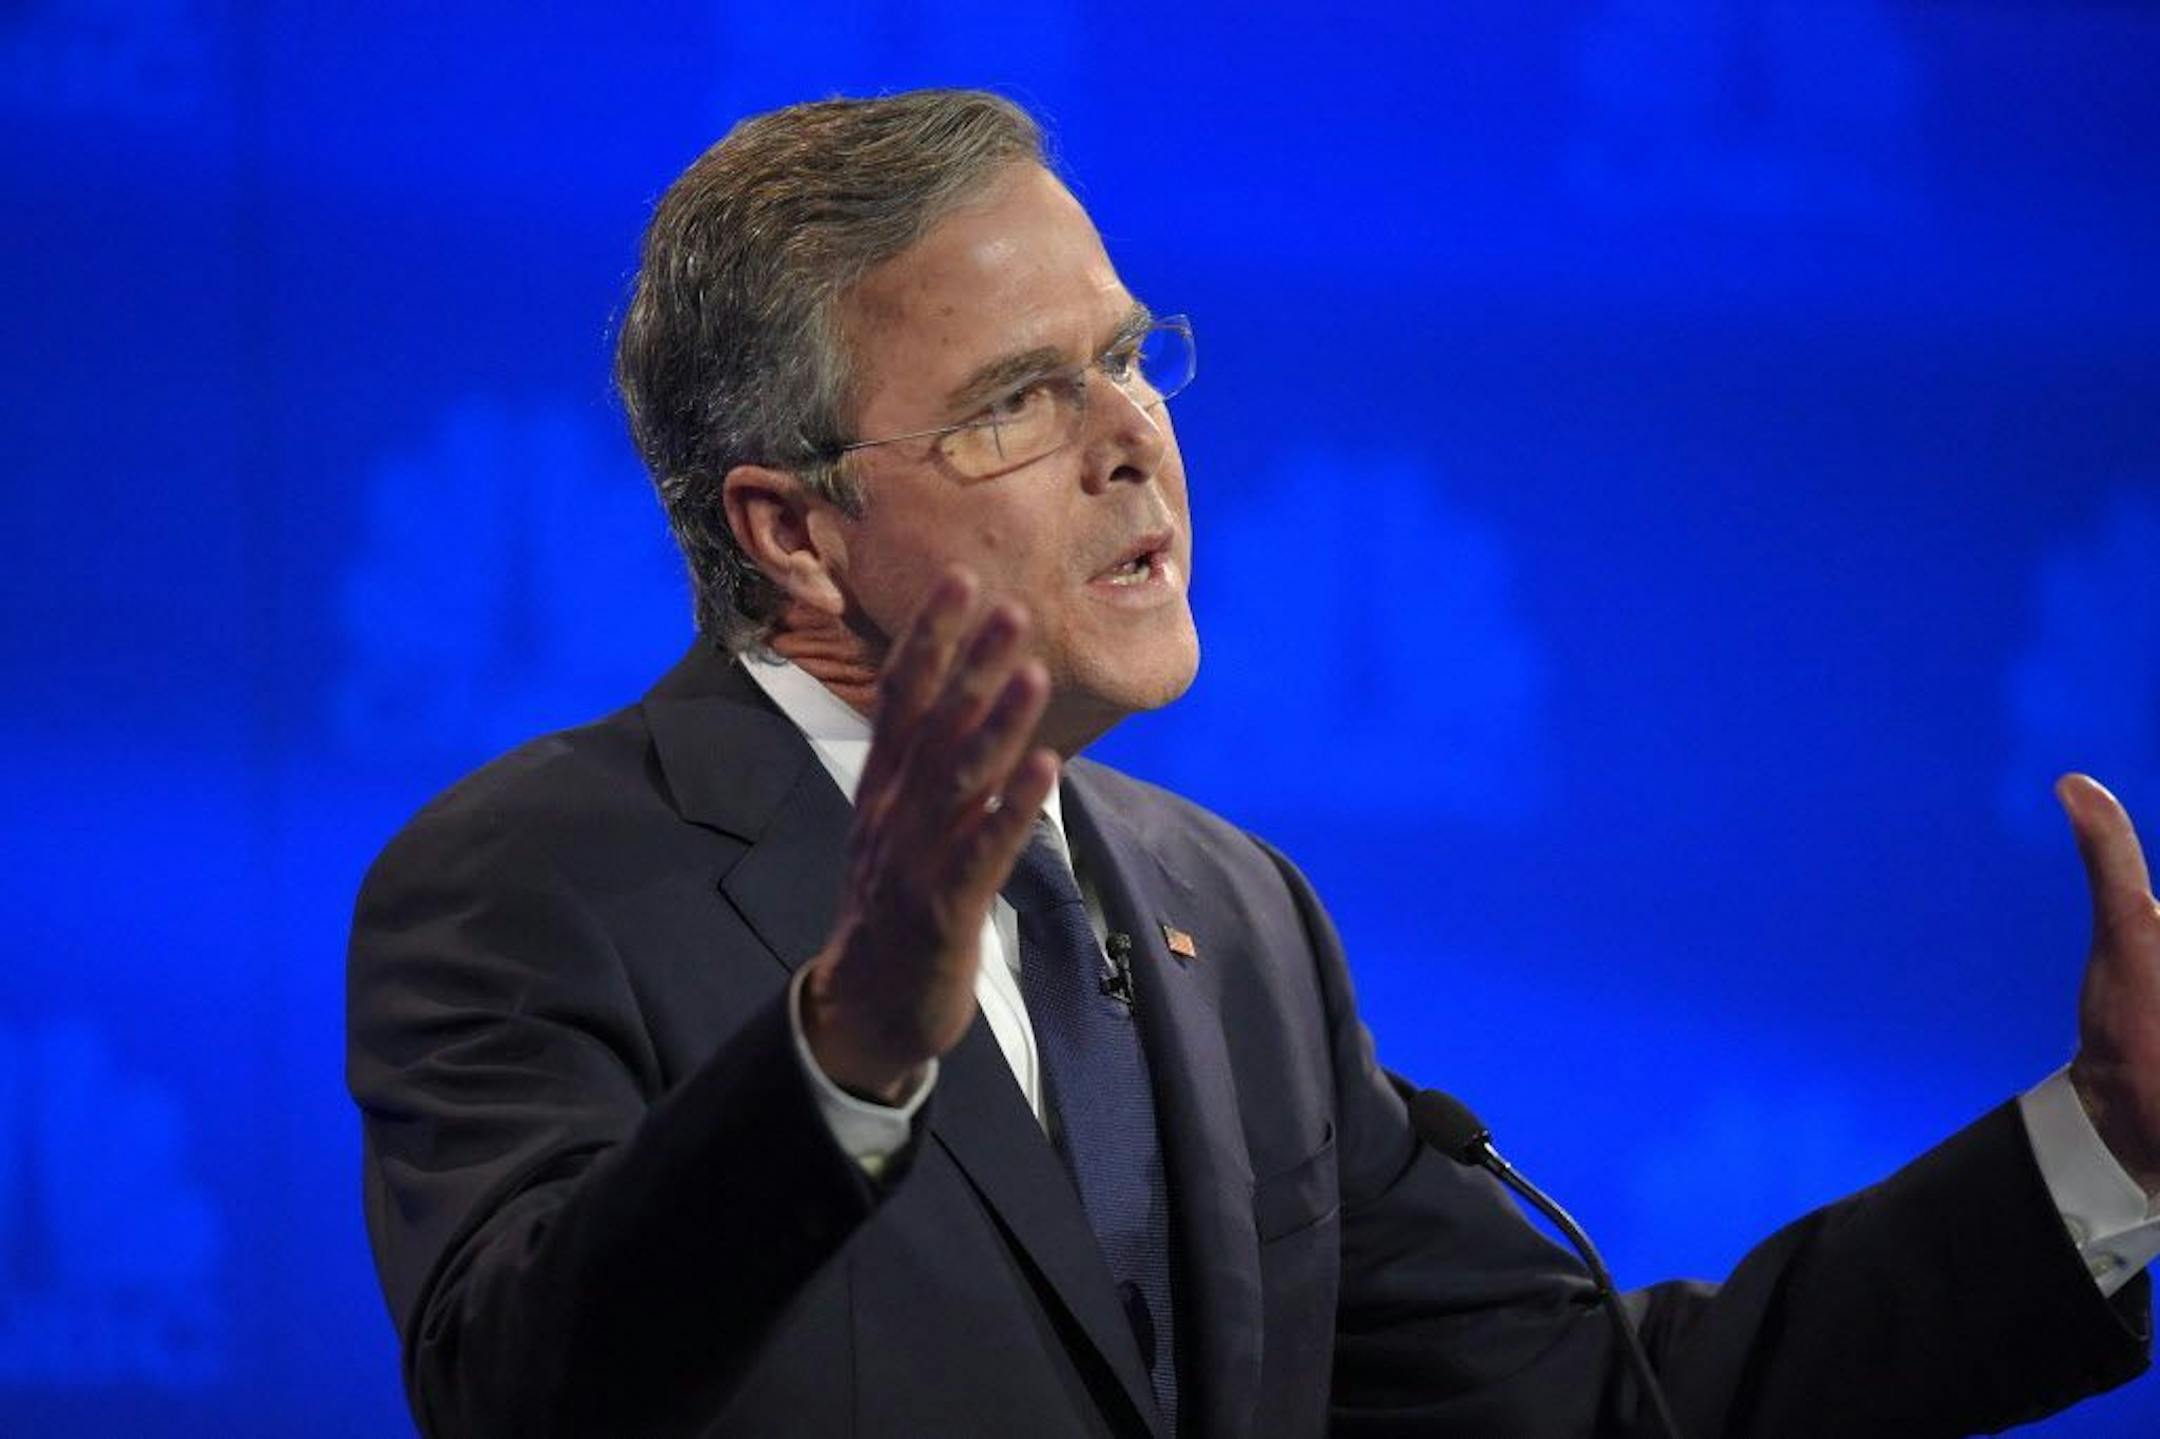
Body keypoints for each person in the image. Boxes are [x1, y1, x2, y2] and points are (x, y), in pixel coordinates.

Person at [347, 89, 2160, 1438]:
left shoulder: (1233, 914)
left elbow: (1606, 1407)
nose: (1132, 438)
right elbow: (524, 1393)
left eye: (1127, 359)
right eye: (1017, 400)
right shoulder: (531, 883)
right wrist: (848, 1055)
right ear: (795, 534)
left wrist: (2103, 1152)